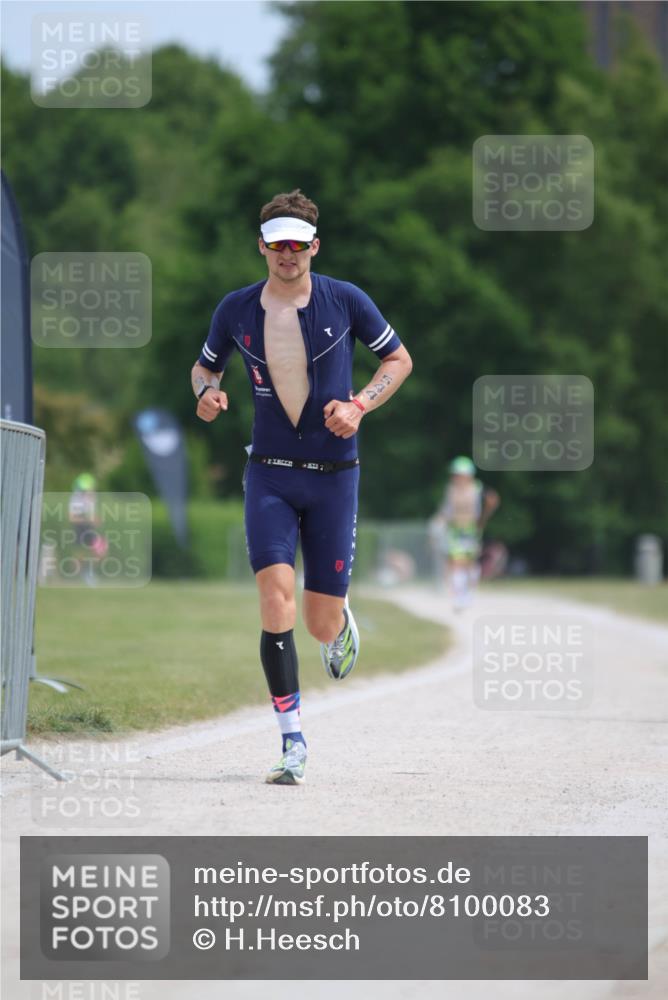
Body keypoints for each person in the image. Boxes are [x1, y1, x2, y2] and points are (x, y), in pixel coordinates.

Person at [191, 189, 412, 785]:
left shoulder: (346, 300)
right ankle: (292, 742)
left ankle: (340, 623)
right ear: (260, 246)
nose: (286, 253)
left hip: (335, 478)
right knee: (274, 600)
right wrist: (205, 394)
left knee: (317, 622)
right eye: (276, 243)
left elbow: (398, 361)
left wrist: (361, 405)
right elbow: (204, 366)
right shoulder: (235, 309)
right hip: (268, 473)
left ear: (314, 246)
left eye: (297, 243)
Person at [433, 457, 500, 610]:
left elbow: (493, 500)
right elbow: (446, 509)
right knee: (456, 562)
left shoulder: (478, 488)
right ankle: (458, 596)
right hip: (455, 529)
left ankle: (468, 592)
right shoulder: (450, 489)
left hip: (471, 529)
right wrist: (439, 521)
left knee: (469, 563)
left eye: (459, 474)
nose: (456, 478)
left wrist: (483, 517)